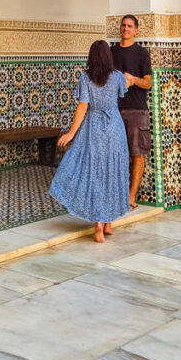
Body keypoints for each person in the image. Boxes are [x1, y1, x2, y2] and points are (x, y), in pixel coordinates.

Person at [49, 40, 130, 243]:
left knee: (95, 172)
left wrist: (71, 133)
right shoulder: (117, 77)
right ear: (108, 57)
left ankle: (99, 227)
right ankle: (109, 222)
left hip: (93, 128)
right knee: (113, 171)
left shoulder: (86, 79)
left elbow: (82, 109)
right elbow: (125, 86)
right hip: (114, 129)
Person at [110, 14, 152, 211]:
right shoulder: (111, 52)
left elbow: (148, 82)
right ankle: (116, 193)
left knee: (137, 154)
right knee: (115, 154)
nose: (125, 28)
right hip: (114, 110)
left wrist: (133, 80)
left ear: (136, 30)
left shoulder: (141, 53)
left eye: (129, 26)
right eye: (123, 25)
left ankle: (131, 196)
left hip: (137, 109)